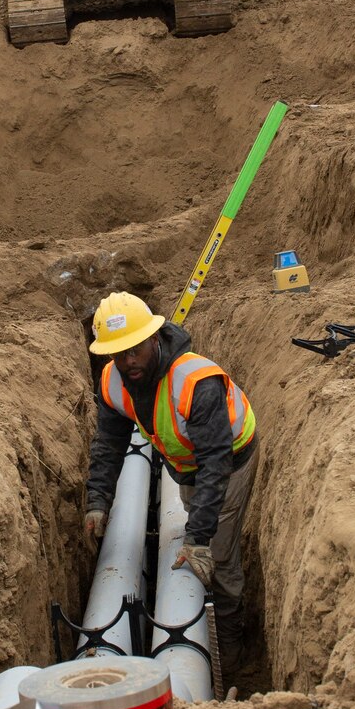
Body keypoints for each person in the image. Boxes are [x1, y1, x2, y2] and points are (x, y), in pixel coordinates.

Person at [85, 292, 258, 681]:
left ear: (154, 338)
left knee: (217, 555)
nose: (128, 361)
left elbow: (215, 463)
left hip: (230, 458)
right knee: (195, 536)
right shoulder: (113, 381)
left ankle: (231, 655)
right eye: (118, 353)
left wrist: (198, 537)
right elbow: (109, 443)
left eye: (135, 350)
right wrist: (98, 500)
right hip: (185, 464)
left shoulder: (195, 381)